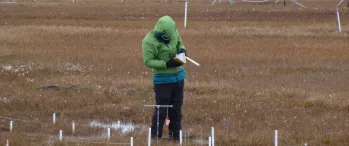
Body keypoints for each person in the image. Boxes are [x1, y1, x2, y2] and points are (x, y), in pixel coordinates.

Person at [142, 15, 187, 141]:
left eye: (170, 36)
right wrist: (166, 64)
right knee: (161, 110)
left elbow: (179, 41)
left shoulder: (173, 31)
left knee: (176, 110)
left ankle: (176, 138)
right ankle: (155, 138)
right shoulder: (148, 41)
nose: (169, 38)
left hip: (178, 77)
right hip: (163, 80)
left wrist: (182, 50)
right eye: (166, 38)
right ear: (159, 33)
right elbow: (148, 61)